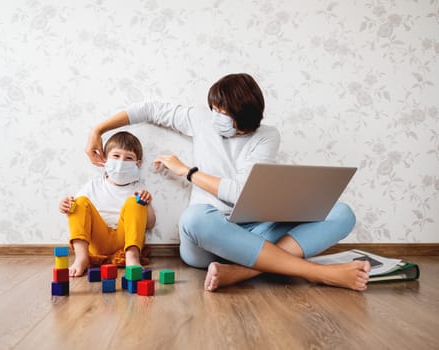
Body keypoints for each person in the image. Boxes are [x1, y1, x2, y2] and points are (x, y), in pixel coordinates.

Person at [85, 73, 370, 291]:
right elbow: (149, 109)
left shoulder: (266, 136)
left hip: (255, 229)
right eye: (214, 109)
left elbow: (239, 193)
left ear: (245, 116)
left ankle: (242, 271)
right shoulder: (201, 120)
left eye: (225, 112)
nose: (217, 116)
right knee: (195, 218)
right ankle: (319, 273)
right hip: (207, 239)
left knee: (341, 213)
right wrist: (99, 129)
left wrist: (188, 172)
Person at [59, 131, 156, 277]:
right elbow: (76, 213)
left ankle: (132, 258)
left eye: (128, 158)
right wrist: (65, 205)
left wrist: (146, 204)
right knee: (79, 202)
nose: (121, 162)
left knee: (134, 201)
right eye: (116, 156)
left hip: (125, 242)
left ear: (138, 164)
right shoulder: (93, 186)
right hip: (98, 240)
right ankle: (81, 257)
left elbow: (150, 224)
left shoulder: (138, 190)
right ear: (105, 159)